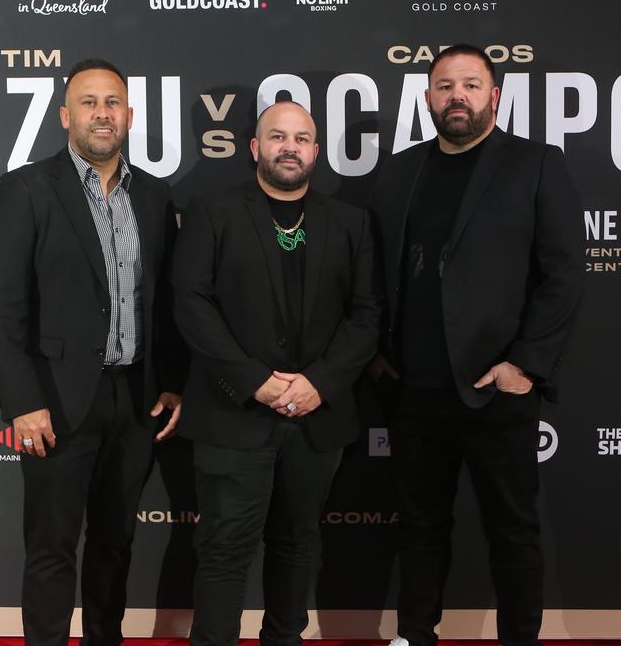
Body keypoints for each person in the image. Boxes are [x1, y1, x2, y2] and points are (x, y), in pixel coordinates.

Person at [369, 44, 583, 646]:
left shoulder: (535, 163)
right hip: (413, 390)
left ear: (495, 96)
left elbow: (564, 273)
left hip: (497, 388)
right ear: (427, 98)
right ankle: (415, 634)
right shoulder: (400, 170)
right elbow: (377, 269)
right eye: (443, 86)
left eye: (469, 84)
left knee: (513, 530)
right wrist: (380, 357)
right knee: (418, 527)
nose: (455, 95)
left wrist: (525, 365)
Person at [0, 57, 184, 646]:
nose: (102, 114)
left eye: (112, 103)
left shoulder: (154, 194)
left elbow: (162, 301)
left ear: (130, 115)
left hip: (135, 399)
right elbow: (0, 306)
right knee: (52, 548)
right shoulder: (26, 188)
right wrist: (22, 401)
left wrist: (170, 381)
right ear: (66, 115)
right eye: (89, 103)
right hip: (56, 401)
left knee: (115, 545)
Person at [172, 101, 380, 646]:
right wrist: (253, 380)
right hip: (232, 413)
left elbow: (367, 315)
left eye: (301, 138)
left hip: (318, 417)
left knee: (299, 543)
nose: (290, 146)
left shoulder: (351, 222)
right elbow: (192, 304)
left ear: (315, 150)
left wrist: (320, 383)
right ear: (255, 148)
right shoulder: (211, 212)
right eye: (277, 136)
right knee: (224, 548)